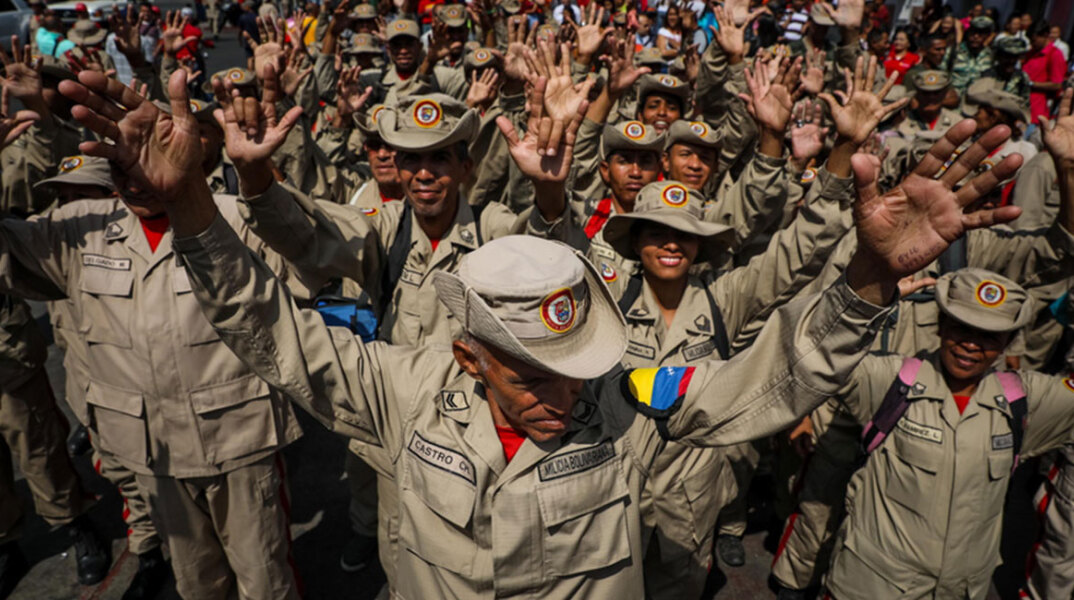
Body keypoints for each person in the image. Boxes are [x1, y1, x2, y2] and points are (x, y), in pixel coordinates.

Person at [63, 60, 1024, 598]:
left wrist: (865, 278)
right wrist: (194, 208)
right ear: (468, 354)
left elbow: (770, 379)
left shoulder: (626, 397)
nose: (566, 394)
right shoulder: (403, 391)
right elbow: (272, 329)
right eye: (532, 374)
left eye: (575, 364)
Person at [1024, 21, 1067, 124]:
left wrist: (1031, 83)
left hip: (1035, 112)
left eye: (1034, 40)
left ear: (1045, 35)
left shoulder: (1055, 54)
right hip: (1022, 106)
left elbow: (1057, 84)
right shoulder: (1031, 52)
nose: (1031, 44)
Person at [950, 15, 994, 94]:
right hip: (953, 97)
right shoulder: (954, 51)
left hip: (975, 98)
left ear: (987, 35)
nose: (976, 36)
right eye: (973, 32)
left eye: (981, 33)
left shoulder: (989, 56)